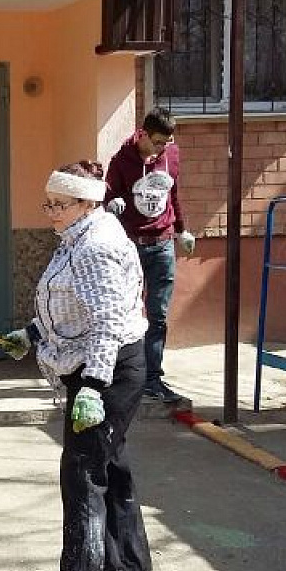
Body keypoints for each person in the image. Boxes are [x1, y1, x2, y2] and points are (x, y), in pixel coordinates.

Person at [0, 161, 153, 571]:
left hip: (106, 370)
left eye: (58, 204)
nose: (49, 211)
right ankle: (126, 560)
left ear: (87, 201)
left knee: (83, 472)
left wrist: (92, 386)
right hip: (101, 365)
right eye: (47, 202)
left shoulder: (96, 247)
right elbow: (69, 306)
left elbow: (106, 324)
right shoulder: (77, 237)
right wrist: (32, 334)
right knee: (111, 461)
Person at [103, 107, 195, 404]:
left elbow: (174, 194)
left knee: (158, 315)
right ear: (142, 134)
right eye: (156, 142)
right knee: (126, 314)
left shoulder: (171, 155)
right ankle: (124, 375)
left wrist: (182, 230)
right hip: (132, 244)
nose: (161, 149)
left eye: (166, 143)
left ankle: (153, 380)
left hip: (163, 243)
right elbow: (108, 197)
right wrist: (112, 204)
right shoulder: (121, 161)